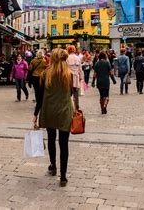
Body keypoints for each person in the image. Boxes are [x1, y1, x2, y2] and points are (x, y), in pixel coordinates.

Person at [33, 48, 75, 187]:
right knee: (64, 144)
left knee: (51, 139)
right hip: (64, 111)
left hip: (49, 110)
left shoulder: (46, 74)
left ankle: (53, 166)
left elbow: (40, 97)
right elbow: (70, 94)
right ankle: (63, 177)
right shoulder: (69, 74)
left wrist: (35, 114)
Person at [66, 45, 83, 110]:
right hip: (76, 77)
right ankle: (77, 106)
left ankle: (68, 106)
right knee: (76, 93)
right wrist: (81, 77)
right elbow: (80, 69)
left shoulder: (67, 58)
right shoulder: (78, 58)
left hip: (69, 77)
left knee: (68, 93)